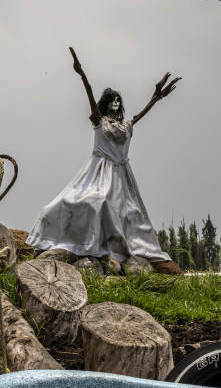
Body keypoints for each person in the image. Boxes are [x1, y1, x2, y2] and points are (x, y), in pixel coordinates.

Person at [26, 47, 183, 274]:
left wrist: (157, 97)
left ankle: (126, 254)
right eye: (112, 100)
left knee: (130, 212)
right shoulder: (100, 121)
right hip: (98, 171)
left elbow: (141, 114)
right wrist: (82, 75)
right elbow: (90, 98)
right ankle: (82, 246)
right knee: (92, 201)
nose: (116, 103)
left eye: (118, 100)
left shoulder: (126, 125)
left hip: (122, 173)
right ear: (106, 103)